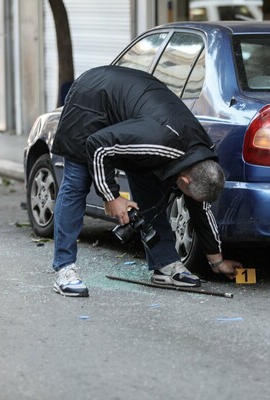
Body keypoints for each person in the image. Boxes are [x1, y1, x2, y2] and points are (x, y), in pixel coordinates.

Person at [50, 65, 242, 297]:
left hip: (132, 118)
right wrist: (111, 196)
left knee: (151, 188)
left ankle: (166, 264)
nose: (186, 199)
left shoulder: (202, 159)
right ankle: (64, 268)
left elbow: (200, 206)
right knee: (76, 182)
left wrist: (217, 261)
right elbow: (98, 146)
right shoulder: (157, 142)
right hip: (91, 103)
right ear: (184, 178)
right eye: (186, 192)